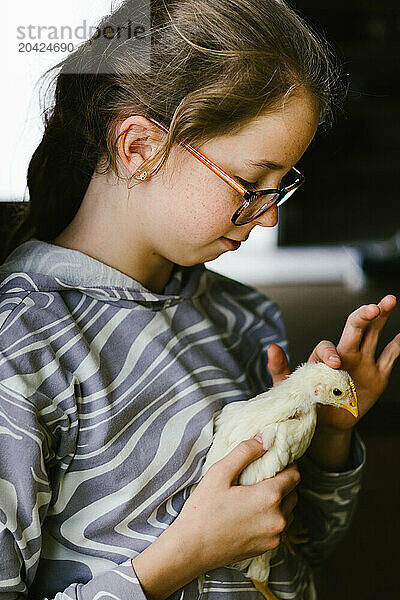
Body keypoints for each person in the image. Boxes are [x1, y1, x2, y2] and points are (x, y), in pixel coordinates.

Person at [0, 1, 399, 599]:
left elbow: (305, 545)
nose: (265, 220)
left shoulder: (244, 318)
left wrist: (331, 433)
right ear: (138, 147)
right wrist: (184, 555)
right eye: (251, 183)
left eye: (281, 187)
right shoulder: (24, 345)